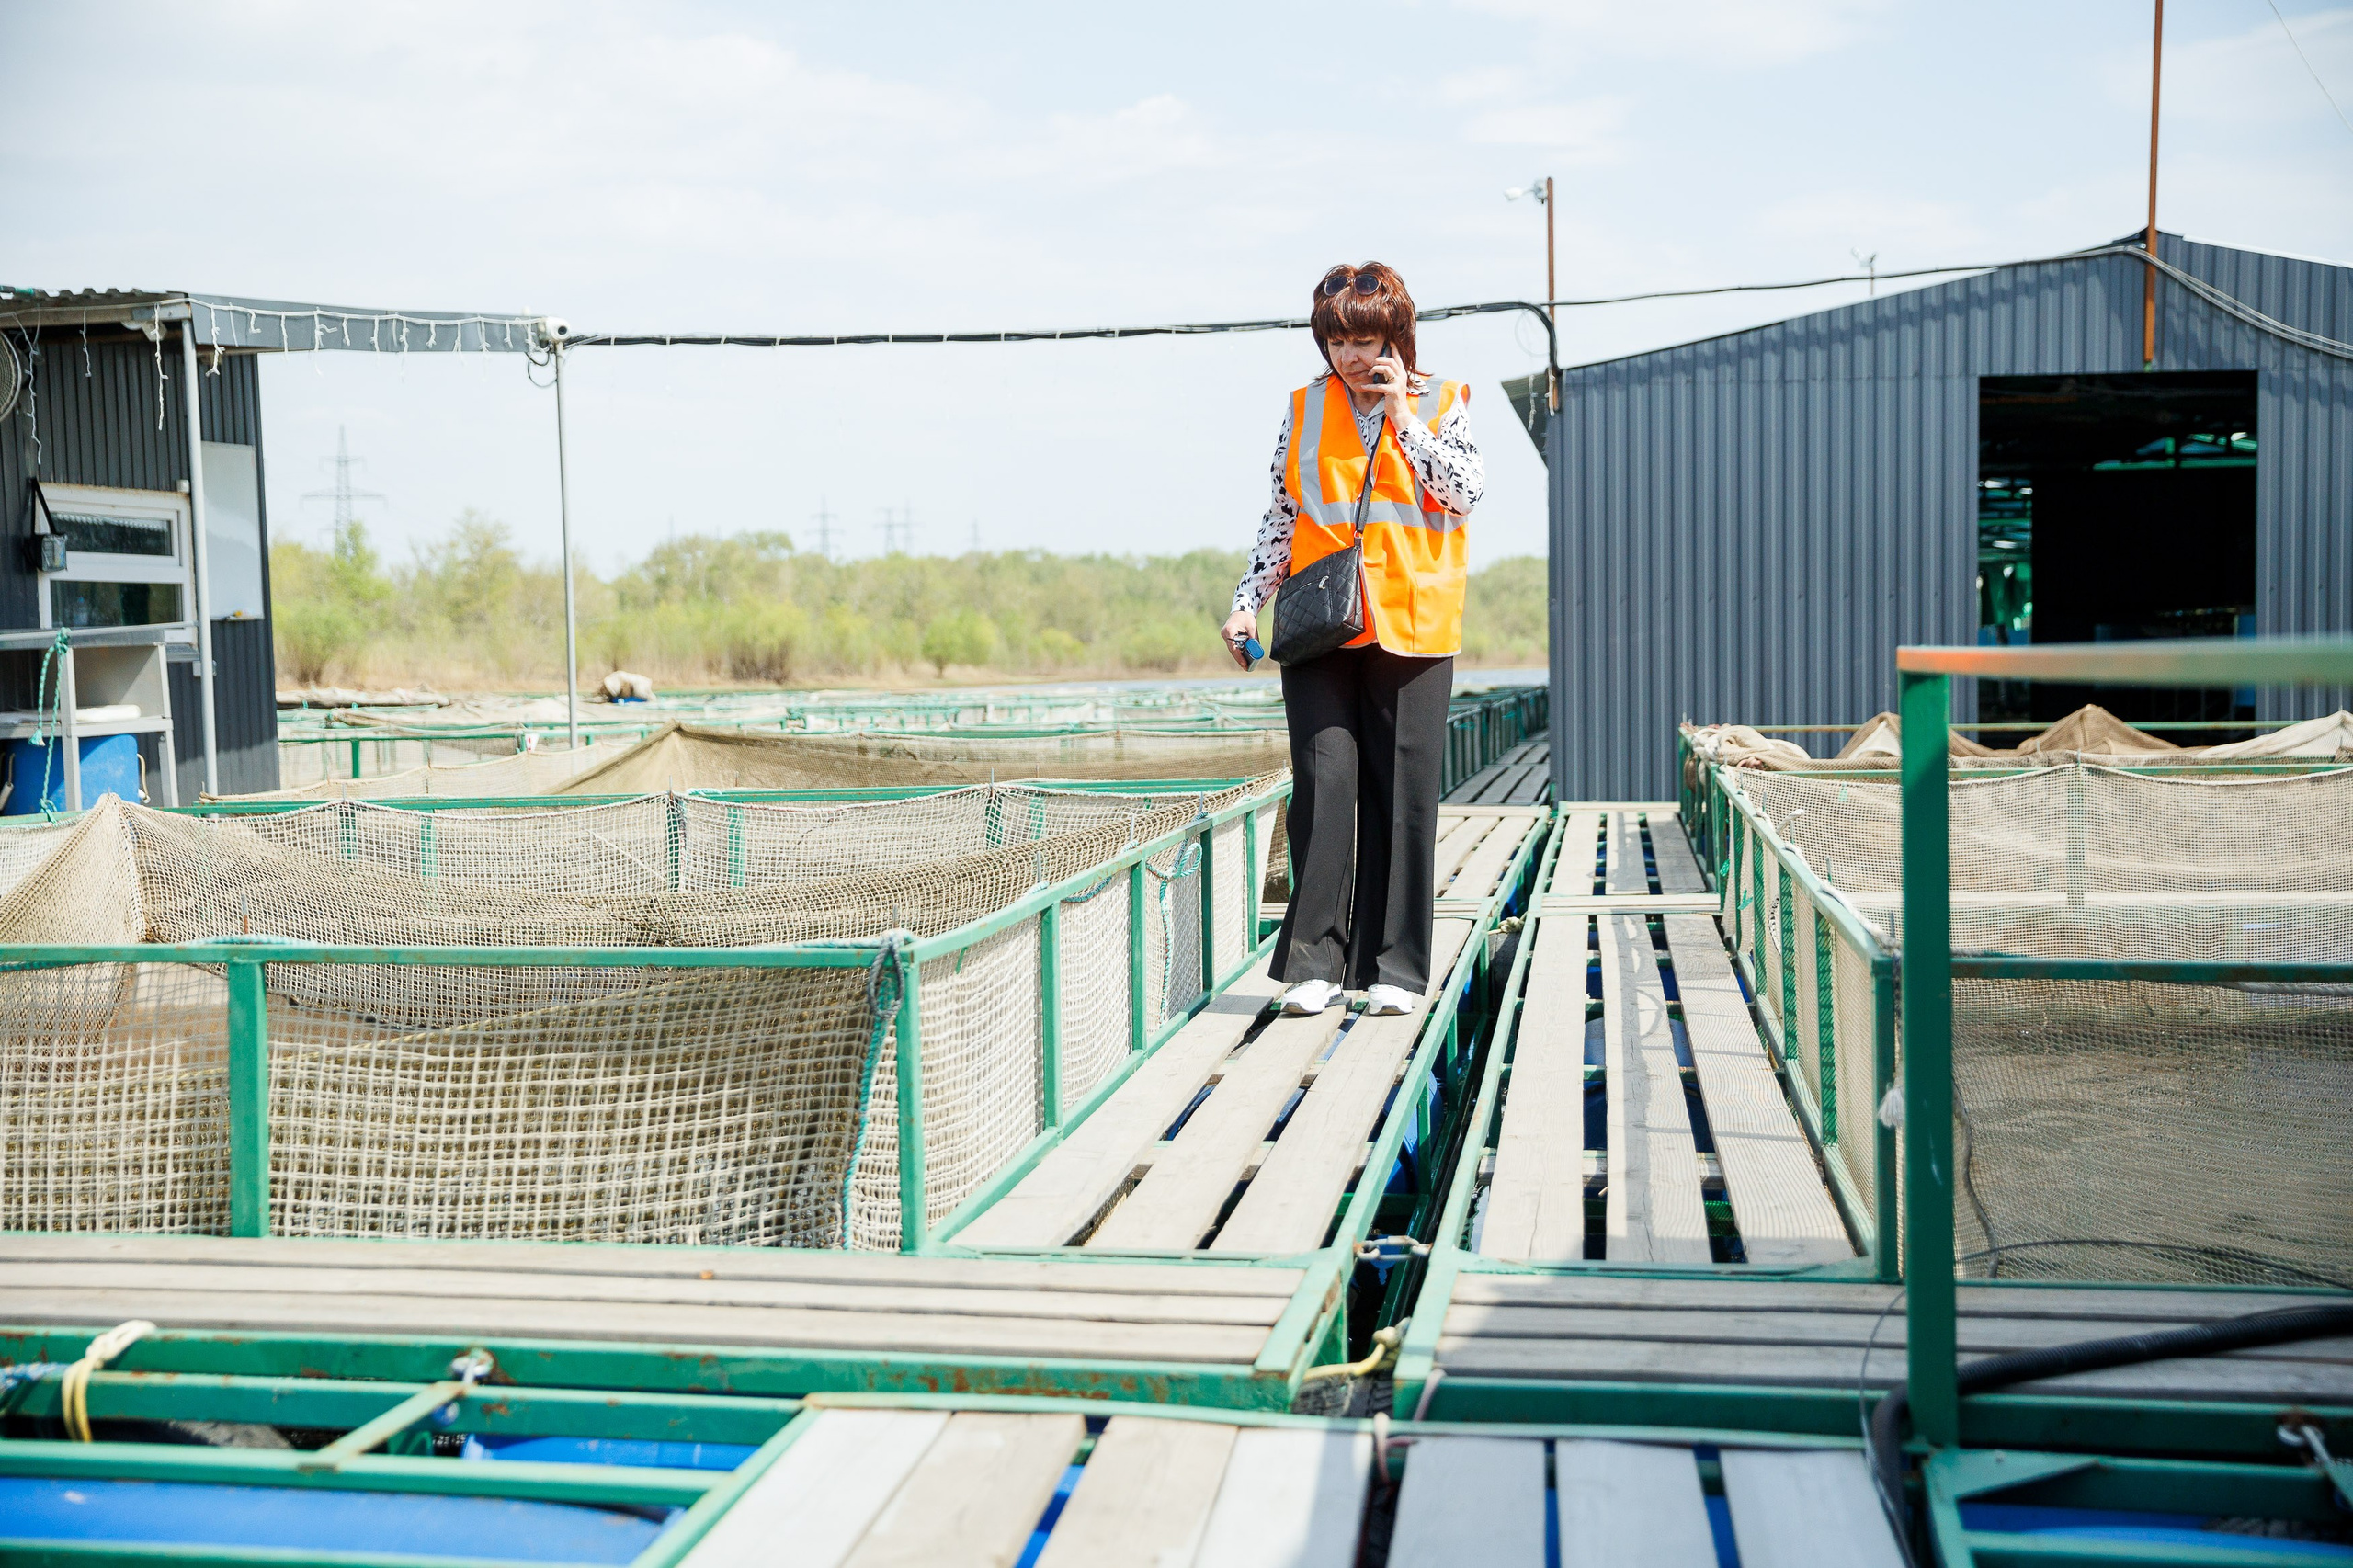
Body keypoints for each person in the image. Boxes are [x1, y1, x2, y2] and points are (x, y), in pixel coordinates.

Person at [1221, 262, 1483, 1018]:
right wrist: (1246, 606)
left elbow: (1462, 494)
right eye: (1337, 340)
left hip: (1413, 627)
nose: (1351, 357)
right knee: (1325, 782)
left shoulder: (1444, 402)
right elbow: (1280, 517)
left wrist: (1405, 417)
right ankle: (1314, 963)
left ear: (1396, 338)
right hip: (1320, 628)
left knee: (1401, 797)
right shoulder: (1303, 408)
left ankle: (1395, 971)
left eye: (1365, 340)